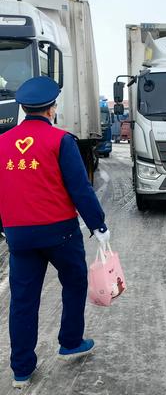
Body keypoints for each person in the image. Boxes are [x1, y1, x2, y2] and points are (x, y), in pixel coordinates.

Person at [0, 77, 110, 388]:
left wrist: (5, 227)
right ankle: (70, 342)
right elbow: (80, 189)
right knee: (74, 281)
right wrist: (97, 224)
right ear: (52, 109)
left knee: (22, 300)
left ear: (23, 109)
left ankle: (21, 369)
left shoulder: (2, 143)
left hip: (20, 236)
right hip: (59, 233)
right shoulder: (61, 141)